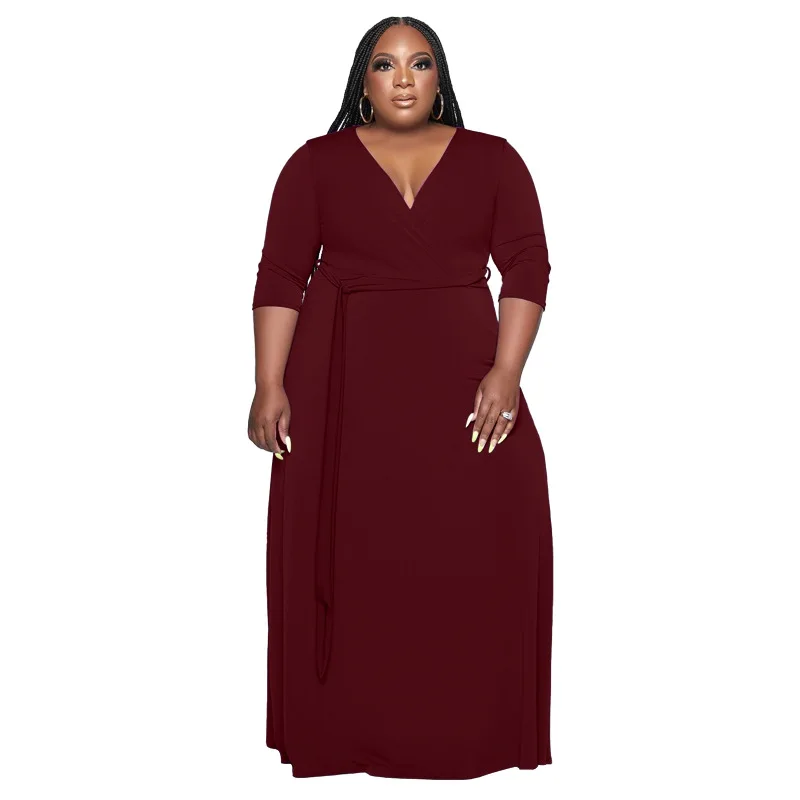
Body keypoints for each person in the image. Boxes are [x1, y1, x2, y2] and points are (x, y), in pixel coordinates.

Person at [248, 16, 554, 780]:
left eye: (420, 63)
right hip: (340, 387)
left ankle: (468, 732)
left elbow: (527, 264)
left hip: (463, 383)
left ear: (440, 75)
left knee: (475, 548)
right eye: (386, 65)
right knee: (355, 557)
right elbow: (282, 274)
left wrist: (506, 373)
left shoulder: (494, 160)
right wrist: (269, 383)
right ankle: (349, 732)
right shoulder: (314, 164)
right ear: (364, 80)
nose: (405, 78)